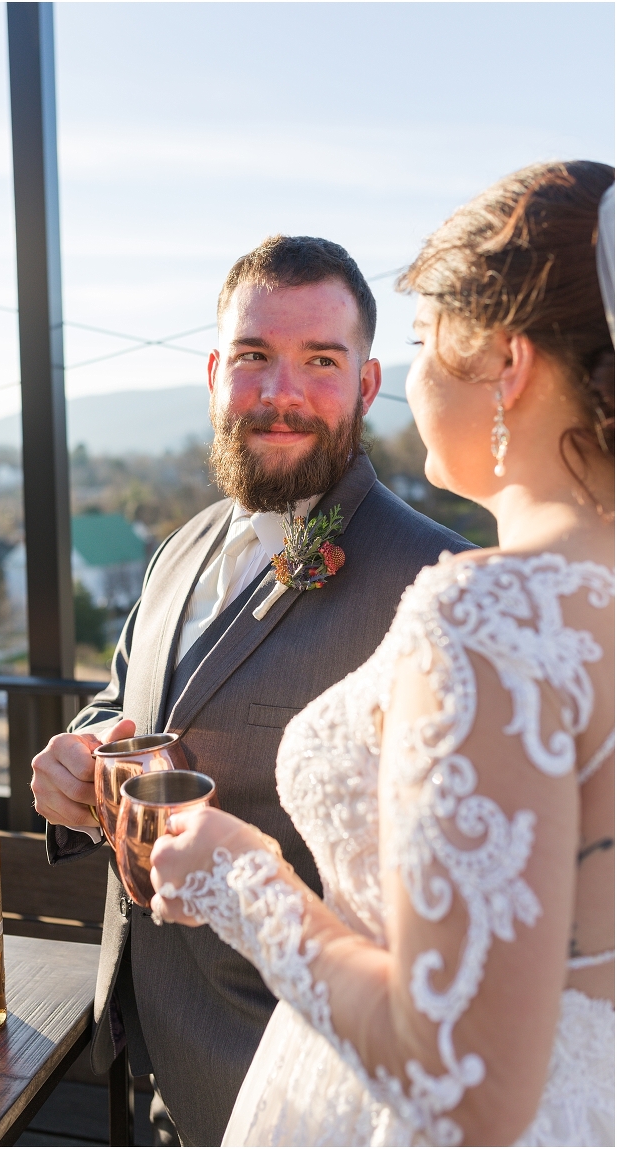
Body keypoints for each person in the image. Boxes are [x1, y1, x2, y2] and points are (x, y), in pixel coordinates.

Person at [150, 161, 615, 1147]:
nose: (408, 382)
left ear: (507, 367)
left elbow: (467, 1085)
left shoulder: (484, 612)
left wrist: (243, 876)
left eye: (417, 344)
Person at [31, 236, 474, 1146]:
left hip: (309, 1096)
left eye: (320, 360)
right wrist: (76, 764)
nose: (280, 392)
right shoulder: (177, 549)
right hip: (146, 1062)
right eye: (253, 357)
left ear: (366, 383)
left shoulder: (442, 584)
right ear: (212, 374)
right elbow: (123, 698)